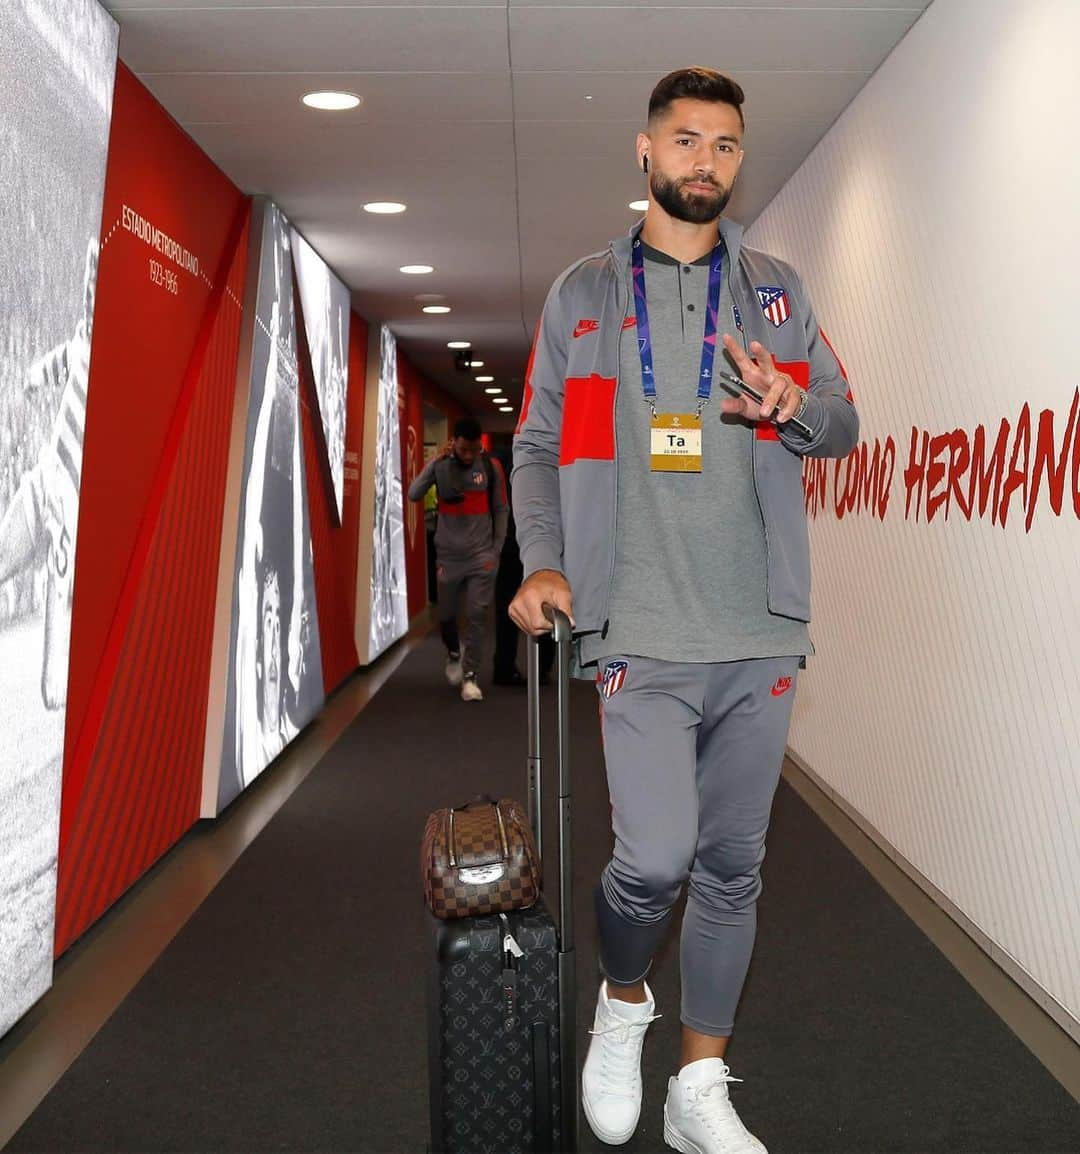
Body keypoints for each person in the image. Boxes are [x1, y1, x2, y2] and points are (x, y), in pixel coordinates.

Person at [510, 68, 858, 1154]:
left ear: (738, 159)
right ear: (645, 151)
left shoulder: (776, 292)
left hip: (758, 626)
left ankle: (698, 1082)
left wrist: (797, 406)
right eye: (686, 140)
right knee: (653, 857)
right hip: (640, 628)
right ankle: (624, 1000)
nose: (705, 161)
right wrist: (549, 564)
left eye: (725, 145)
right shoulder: (582, 297)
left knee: (732, 865)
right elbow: (536, 443)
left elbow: (844, 422)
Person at [408, 416, 508, 702]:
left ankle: (470, 676)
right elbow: (414, 493)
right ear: (453, 444)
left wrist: (496, 549)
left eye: (474, 450)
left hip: (481, 556)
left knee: (477, 615)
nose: (469, 456)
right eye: (463, 450)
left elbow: (501, 508)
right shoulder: (440, 466)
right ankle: (454, 652)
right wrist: (433, 463)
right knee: (446, 615)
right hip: (449, 557)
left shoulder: (491, 466)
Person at [489, 442, 554, 687]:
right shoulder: (545, 455)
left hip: (519, 544)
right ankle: (538, 670)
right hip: (531, 544)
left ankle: (507, 668)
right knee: (544, 604)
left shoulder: (504, 459)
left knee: (517, 608)